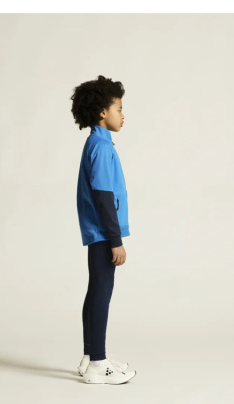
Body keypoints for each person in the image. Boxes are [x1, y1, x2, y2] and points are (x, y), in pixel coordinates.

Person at [70, 75, 137, 385]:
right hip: (103, 233)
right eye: (118, 109)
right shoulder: (101, 146)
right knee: (101, 293)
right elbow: (103, 196)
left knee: (96, 290)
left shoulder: (97, 143)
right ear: (102, 112)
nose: (123, 115)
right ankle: (98, 362)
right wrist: (115, 240)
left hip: (100, 232)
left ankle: (90, 356)